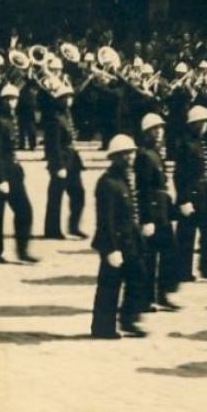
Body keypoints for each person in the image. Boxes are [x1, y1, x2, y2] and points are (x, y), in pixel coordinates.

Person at [90, 134, 148, 339]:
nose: (129, 157)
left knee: (138, 278)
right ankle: (102, 328)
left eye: (131, 153)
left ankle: (129, 320)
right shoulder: (107, 183)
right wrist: (111, 249)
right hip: (114, 242)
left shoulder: (126, 179)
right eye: (124, 154)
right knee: (109, 286)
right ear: (114, 157)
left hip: (131, 241)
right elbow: (105, 220)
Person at [0, 84, 37, 264]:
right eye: (8, 99)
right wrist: (0, 178)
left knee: (24, 211)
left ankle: (22, 251)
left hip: (12, 171)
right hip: (0, 173)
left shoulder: (11, 119)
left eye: (14, 99)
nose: (12, 103)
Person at [135, 113, 180, 311]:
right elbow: (143, 189)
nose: (159, 132)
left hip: (162, 210)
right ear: (146, 133)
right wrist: (146, 218)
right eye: (155, 130)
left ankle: (161, 294)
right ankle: (147, 299)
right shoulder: (144, 156)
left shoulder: (155, 154)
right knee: (151, 257)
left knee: (169, 253)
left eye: (161, 129)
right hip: (153, 212)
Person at [174, 105, 207, 282]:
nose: (205, 126)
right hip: (191, 194)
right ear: (194, 124)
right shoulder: (186, 145)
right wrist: (183, 199)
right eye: (202, 123)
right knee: (186, 234)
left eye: (206, 123)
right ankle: (182, 271)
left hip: (205, 193)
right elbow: (179, 175)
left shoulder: (202, 142)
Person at [43, 83, 86, 240]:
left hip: (73, 160)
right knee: (56, 197)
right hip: (60, 161)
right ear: (59, 99)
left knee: (78, 194)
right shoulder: (54, 118)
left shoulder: (67, 114)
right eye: (65, 97)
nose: (68, 100)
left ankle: (74, 226)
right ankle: (52, 230)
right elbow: (52, 145)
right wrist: (58, 165)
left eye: (70, 97)